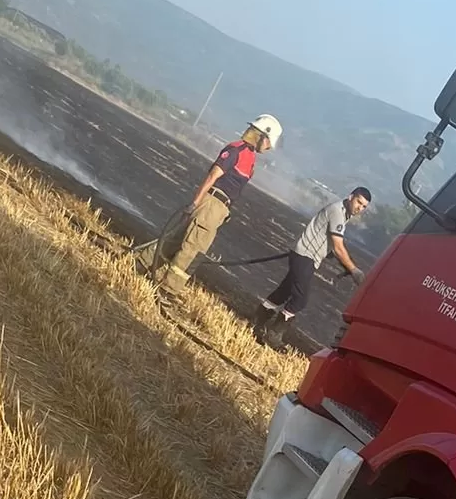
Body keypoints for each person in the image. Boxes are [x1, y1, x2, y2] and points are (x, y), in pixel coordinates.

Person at [150, 115, 283, 296]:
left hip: (219, 208)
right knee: (193, 250)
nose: (268, 148)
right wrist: (195, 202)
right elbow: (212, 176)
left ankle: (143, 263)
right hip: (211, 204)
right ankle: (168, 290)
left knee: (177, 240)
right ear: (261, 136)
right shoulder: (236, 150)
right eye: (268, 143)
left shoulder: (250, 158)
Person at [254, 187, 371, 342]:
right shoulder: (337, 211)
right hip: (306, 256)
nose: (359, 208)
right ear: (350, 197)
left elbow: (331, 244)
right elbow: (338, 246)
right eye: (359, 202)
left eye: (364, 207)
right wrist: (354, 270)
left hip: (304, 254)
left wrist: (335, 257)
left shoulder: (344, 214)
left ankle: (258, 321)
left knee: (284, 291)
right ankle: (274, 334)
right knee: (300, 300)